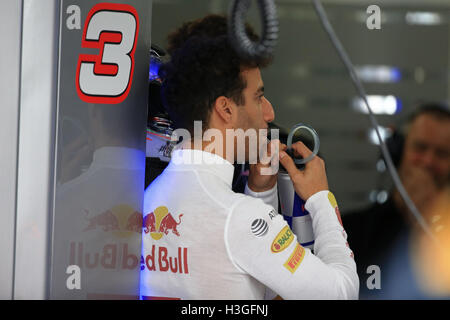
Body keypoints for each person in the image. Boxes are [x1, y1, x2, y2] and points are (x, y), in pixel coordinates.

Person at [140, 15, 358, 300]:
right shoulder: (239, 218)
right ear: (226, 110)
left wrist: (260, 194)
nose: (269, 113)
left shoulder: (146, 200)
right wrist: (321, 199)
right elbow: (342, 292)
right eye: (258, 97)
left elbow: (252, 281)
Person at [343, 103, 450, 299]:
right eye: (420, 147)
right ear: (398, 153)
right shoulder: (350, 232)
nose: (428, 162)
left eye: (442, 153)